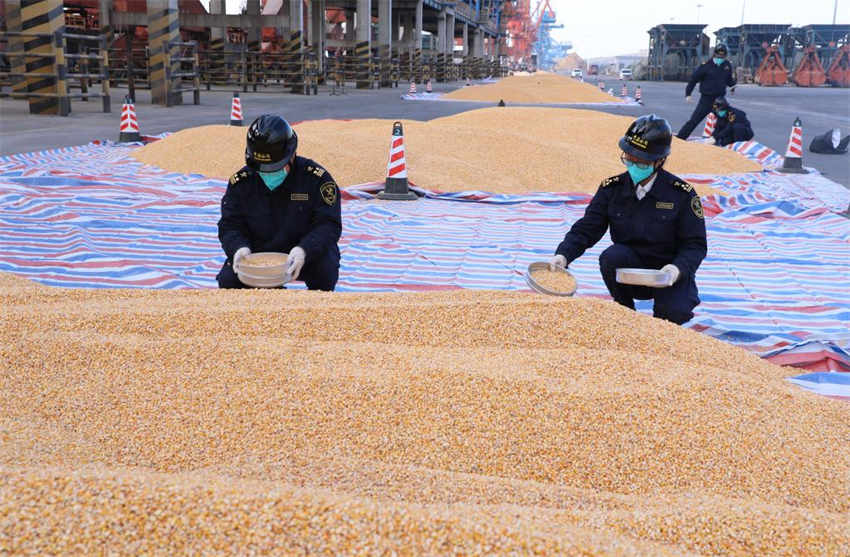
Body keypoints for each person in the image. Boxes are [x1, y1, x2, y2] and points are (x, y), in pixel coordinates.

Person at [550, 115, 708, 325]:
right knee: (610, 257)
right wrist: (563, 255)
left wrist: (676, 270)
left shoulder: (681, 194)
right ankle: (626, 315)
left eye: (641, 161)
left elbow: (695, 244)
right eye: (629, 158)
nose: (633, 164)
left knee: (672, 317)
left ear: (659, 161)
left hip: (669, 271)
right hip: (631, 268)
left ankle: (669, 306)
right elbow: (587, 229)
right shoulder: (612, 188)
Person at [217, 114, 341, 290]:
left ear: (292, 155)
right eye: (263, 168)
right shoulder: (241, 182)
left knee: (325, 271)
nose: (269, 174)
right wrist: (238, 248)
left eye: (275, 167)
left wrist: (304, 250)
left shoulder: (316, 179)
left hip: (304, 251)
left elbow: (329, 224)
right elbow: (230, 224)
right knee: (228, 281)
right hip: (259, 253)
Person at [676, 43, 737, 140]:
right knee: (694, 120)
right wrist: (688, 94)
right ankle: (681, 138)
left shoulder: (727, 65)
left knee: (726, 121)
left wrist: (733, 86)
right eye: (718, 55)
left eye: (723, 55)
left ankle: (725, 141)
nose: (720, 57)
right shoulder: (706, 66)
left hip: (720, 99)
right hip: (706, 99)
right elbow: (693, 79)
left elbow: (728, 79)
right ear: (714, 54)